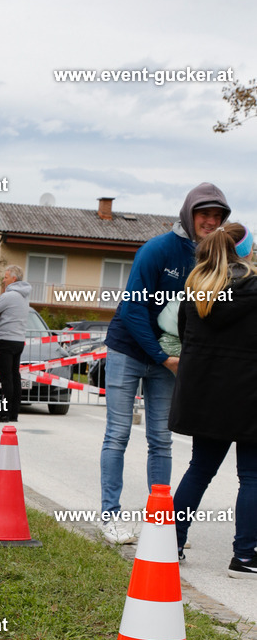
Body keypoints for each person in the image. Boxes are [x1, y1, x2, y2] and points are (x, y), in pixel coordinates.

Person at [99, 183, 230, 544]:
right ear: (189, 213)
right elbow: (133, 307)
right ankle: (109, 516)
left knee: (161, 439)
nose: (210, 221)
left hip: (169, 360)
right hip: (129, 349)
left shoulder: (211, 259)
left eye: (217, 216)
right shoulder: (157, 249)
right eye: (204, 214)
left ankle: (160, 522)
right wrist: (162, 356)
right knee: (118, 435)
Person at [169, 223, 257, 577]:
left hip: (205, 396)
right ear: (247, 251)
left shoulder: (195, 289)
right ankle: (245, 556)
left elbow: (183, 336)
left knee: (200, 469)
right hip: (250, 397)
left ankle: (171, 543)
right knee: (251, 476)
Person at [0, 265, 32, 423]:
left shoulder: (9, 295)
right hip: (18, 340)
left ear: (13, 279)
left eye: (5, 277)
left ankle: (3, 413)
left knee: (5, 379)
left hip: (5, 340)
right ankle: (13, 413)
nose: (3, 280)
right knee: (15, 376)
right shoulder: (24, 297)